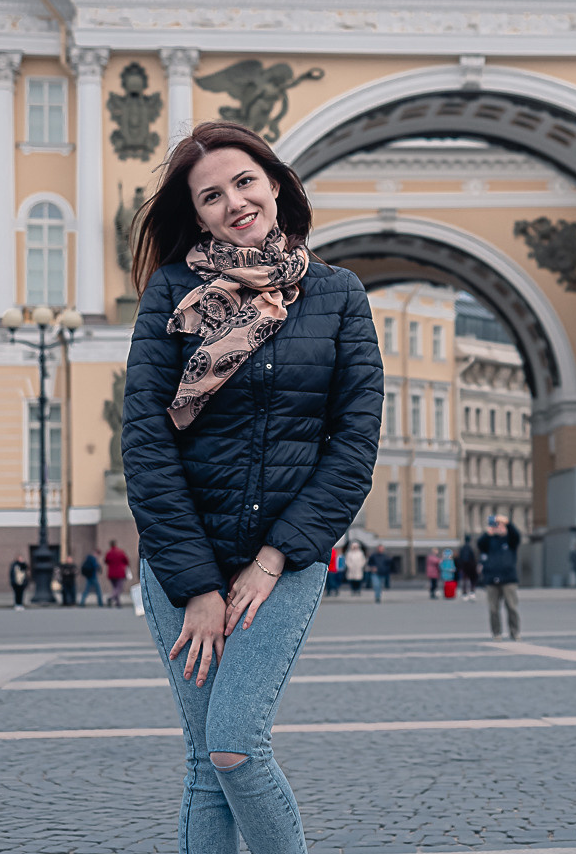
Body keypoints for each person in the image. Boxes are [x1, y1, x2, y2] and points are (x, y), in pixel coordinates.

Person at [120, 120, 383, 854]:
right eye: (211, 195)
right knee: (207, 763)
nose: (234, 202)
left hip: (283, 560)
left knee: (234, 743)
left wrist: (274, 557)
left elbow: (353, 443)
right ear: (196, 213)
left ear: (274, 185)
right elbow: (147, 442)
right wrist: (197, 583)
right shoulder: (171, 294)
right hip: (184, 562)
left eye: (244, 182)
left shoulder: (337, 296)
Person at [477, 514, 521, 640]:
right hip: (491, 579)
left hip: (508, 579)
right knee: (493, 609)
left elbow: (516, 536)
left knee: (512, 607)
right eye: (497, 525)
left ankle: (515, 632)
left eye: (501, 525)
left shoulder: (510, 540)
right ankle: (496, 633)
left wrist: (508, 523)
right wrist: (488, 533)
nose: (499, 528)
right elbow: (480, 545)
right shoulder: (489, 541)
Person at [104, 539, 131, 608]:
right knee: (119, 588)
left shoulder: (108, 552)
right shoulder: (120, 552)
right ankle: (111, 597)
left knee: (115, 588)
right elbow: (126, 561)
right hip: (120, 573)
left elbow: (106, 561)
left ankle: (118, 603)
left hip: (111, 573)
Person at [457, 535, 478, 599]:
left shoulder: (462, 548)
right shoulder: (471, 547)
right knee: (472, 580)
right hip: (471, 566)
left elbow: (460, 558)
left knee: (464, 579)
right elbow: (474, 558)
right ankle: (472, 592)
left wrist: (460, 567)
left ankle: (464, 592)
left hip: (464, 567)